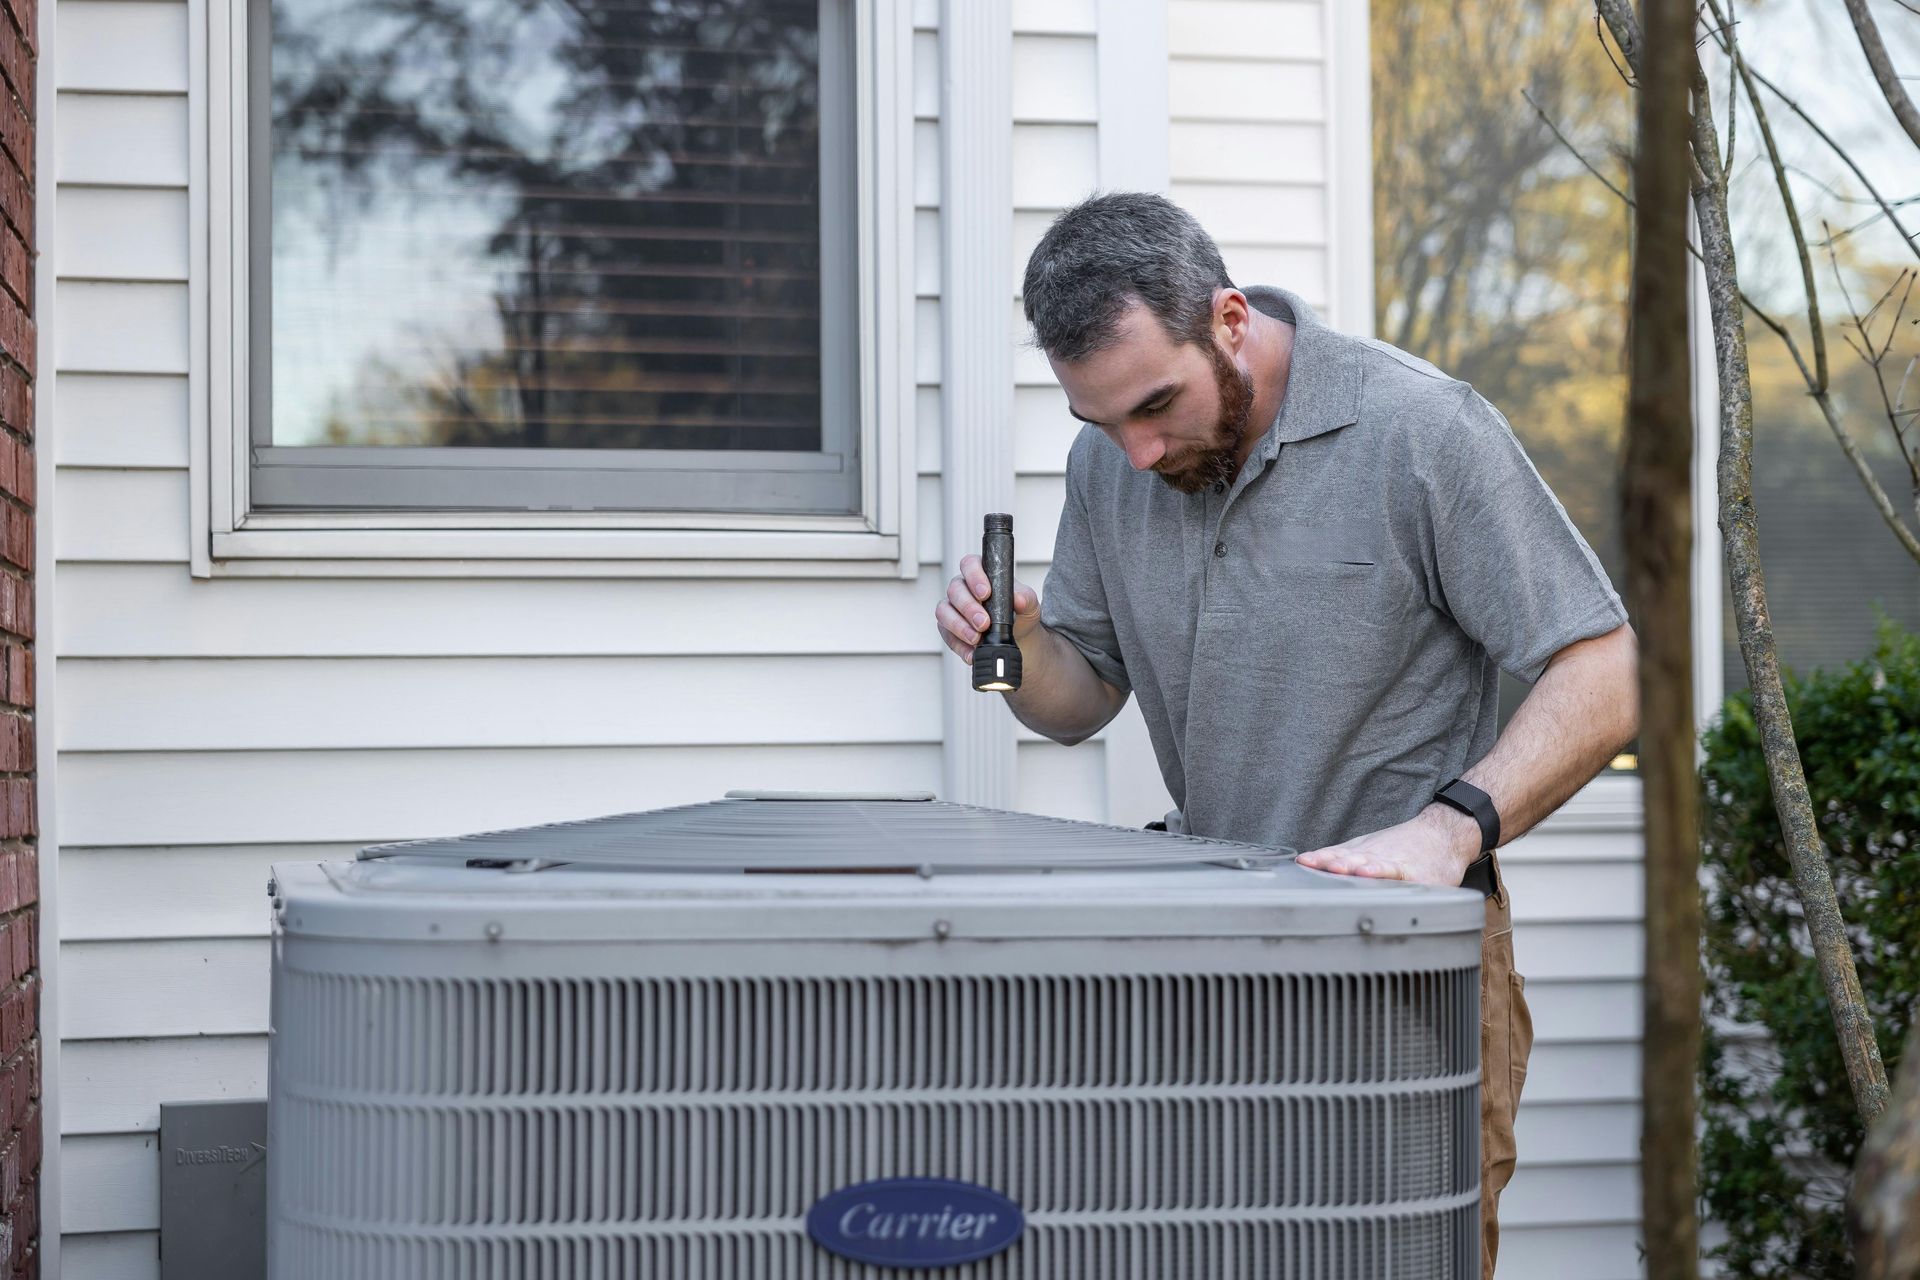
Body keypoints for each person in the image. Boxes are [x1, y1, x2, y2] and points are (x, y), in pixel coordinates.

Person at [932, 192, 1639, 1277]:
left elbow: (1607, 666)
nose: (1136, 451)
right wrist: (1023, 647)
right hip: (1208, 964)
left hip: (1404, 968)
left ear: (1227, 319)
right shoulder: (1115, 466)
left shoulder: (1420, 431)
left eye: (1156, 406)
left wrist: (1452, 830)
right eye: (1102, 423)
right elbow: (1085, 696)